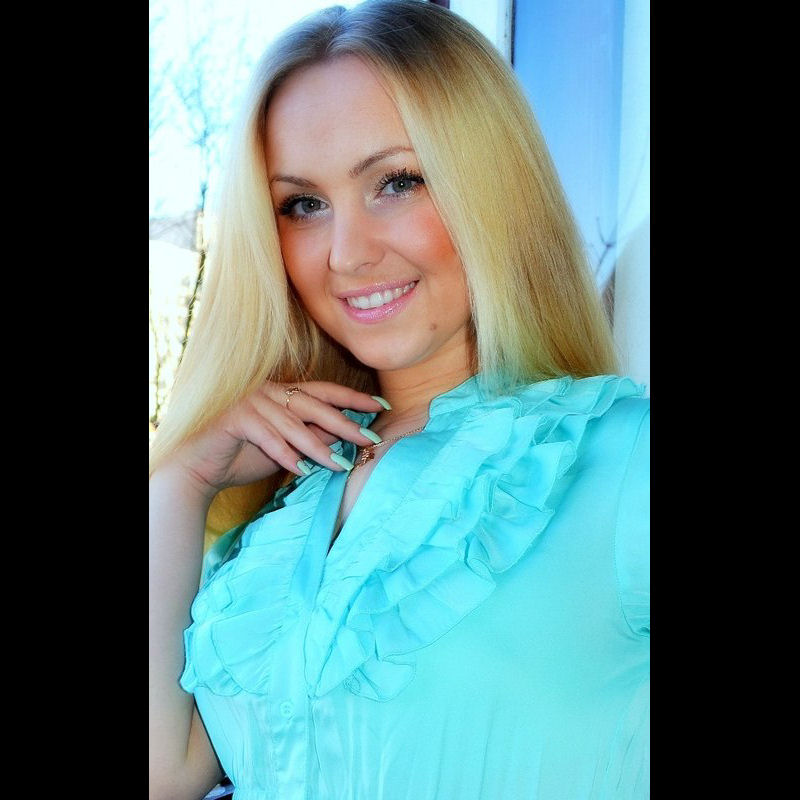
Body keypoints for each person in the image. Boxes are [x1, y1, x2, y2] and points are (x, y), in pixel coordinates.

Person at [149, 1, 650, 798]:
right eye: (303, 205)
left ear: (494, 187)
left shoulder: (624, 458)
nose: (346, 254)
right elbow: (162, 773)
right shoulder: (277, 520)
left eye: (397, 182)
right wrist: (181, 479)